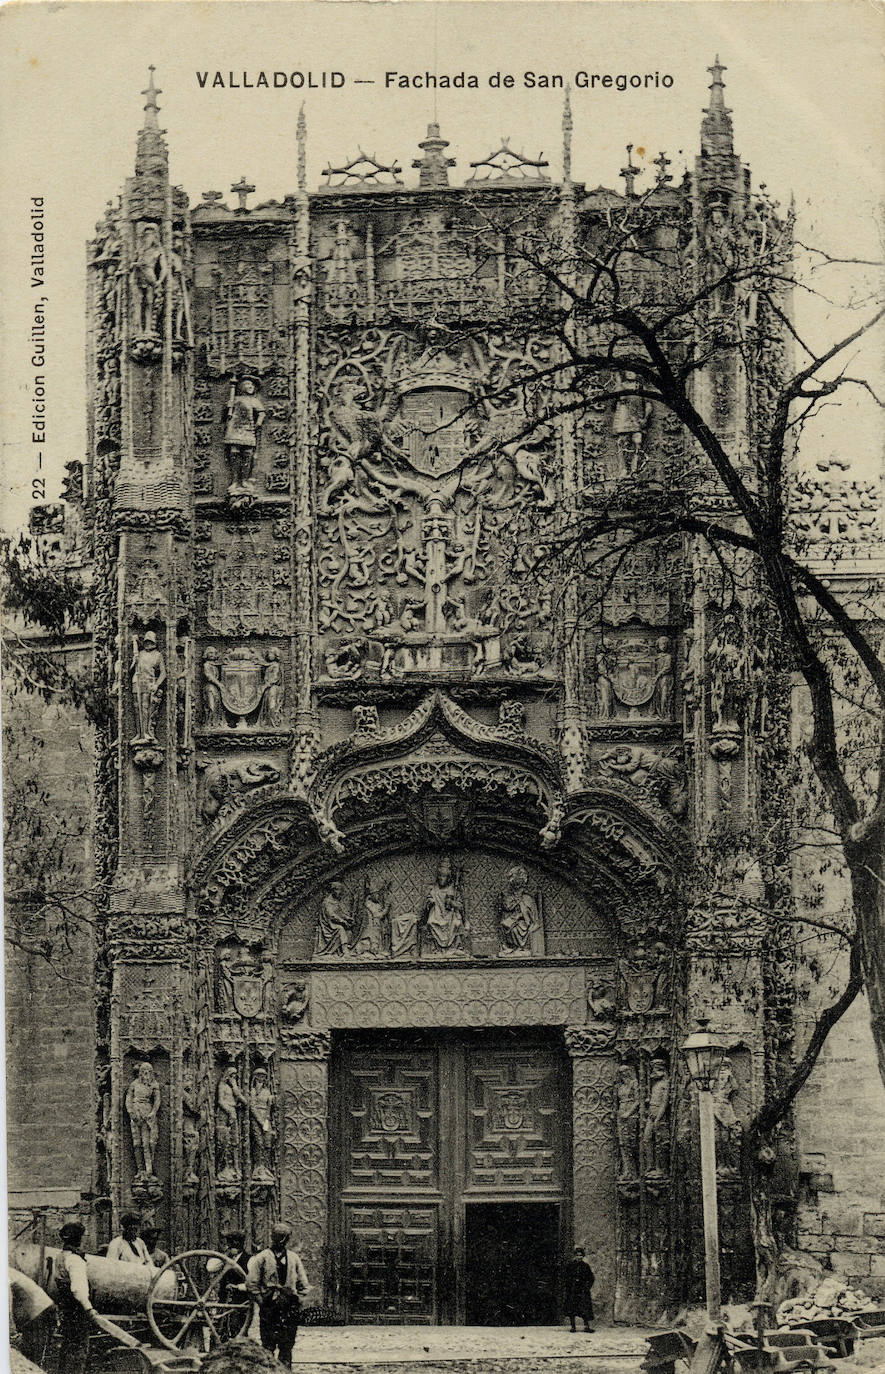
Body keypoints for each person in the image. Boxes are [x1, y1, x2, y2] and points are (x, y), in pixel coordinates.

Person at [246, 1223, 310, 1366]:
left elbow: (303, 1283)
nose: (279, 1240)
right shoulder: (262, 1257)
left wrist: (297, 1299)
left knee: (287, 1345)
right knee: (268, 1345)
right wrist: (261, 1300)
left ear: (286, 1239)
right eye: (277, 1237)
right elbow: (251, 1282)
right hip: (269, 1305)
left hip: (288, 1307)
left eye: (282, 1237)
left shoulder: (293, 1258)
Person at [53, 1222, 97, 1374]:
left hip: (66, 1308)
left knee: (67, 1347)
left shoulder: (60, 1256)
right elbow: (78, 1289)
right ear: (79, 1239)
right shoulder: (75, 1260)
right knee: (79, 1350)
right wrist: (89, 1309)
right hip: (77, 1309)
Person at [9, 1266, 56, 1368]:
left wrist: (12, 1333)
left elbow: (6, 1305)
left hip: (38, 1312)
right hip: (35, 1311)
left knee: (31, 1357)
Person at [563, 1244, 595, 1334]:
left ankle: (586, 1326)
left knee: (585, 1308)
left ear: (583, 1256)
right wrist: (569, 1286)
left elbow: (591, 1278)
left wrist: (587, 1286)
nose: (579, 1257)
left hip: (583, 1291)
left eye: (581, 1255)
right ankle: (573, 1326)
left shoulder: (585, 1266)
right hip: (573, 1290)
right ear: (575, 1256)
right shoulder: (570, 1266)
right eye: (577, 1255)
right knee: (572, 1309)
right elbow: (566, 1277)